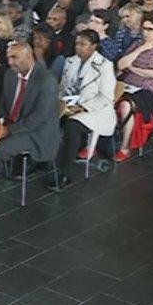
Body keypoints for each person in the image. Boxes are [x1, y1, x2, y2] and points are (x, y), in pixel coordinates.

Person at [50, 29, 117, 191]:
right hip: (71, 104)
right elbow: (63, 87)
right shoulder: (70, 61)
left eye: (83, 44)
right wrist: (63, 103)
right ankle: (45, 160)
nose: (79, 48)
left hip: (96, 110)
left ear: (94, 46)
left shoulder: (105, 66)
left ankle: (66, 173)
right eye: (77, 44)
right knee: (49, 117)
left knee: (72, 125)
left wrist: (82, 107)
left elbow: (106, 97)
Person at [0, 42, 60, 176]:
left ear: (29, 57)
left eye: (14, 57)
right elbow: (4, 104)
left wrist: (7, 130)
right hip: (13, 124)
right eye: (8, 57)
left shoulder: (46, 80)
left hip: (36, 133)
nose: (10, 62)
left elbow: (38, 118)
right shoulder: (10, 75)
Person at [113, 13, 153, 162]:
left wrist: (132, 68)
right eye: (144, 29)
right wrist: (141, 49)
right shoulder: (137, 44)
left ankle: (125, 148)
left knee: (126, 105)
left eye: (149, 29)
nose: (145, 32)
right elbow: (121, 65)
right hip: (127, 84)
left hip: (148, 90)